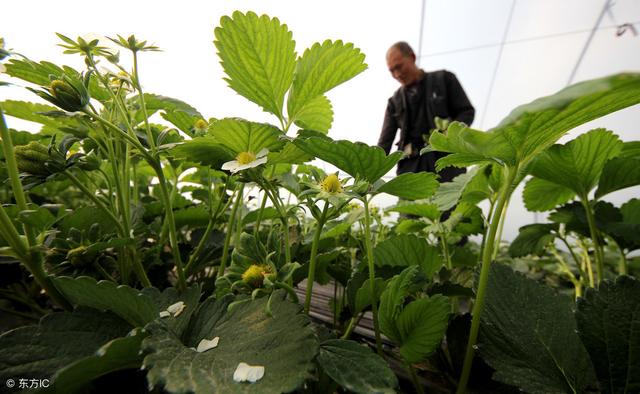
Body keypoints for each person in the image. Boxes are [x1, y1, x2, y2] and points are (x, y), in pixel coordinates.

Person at [377, 41, 475, 182]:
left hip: (447, 160)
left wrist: (449, 133)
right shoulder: (394, 102)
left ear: (412, 57)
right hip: (410, 168)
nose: (397, 74)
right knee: (411, 205)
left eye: (399, 67)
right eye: (392, 70)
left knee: (449, 201)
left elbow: (466, 112)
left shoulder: (444, 79)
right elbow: (384, 143)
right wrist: (371, 173)